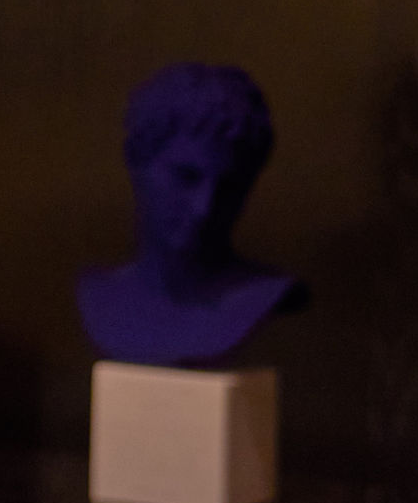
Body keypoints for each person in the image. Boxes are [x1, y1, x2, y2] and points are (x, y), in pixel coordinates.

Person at [77, 61, 308, 367]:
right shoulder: (99, 297)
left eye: (229, 188)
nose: (204, 207)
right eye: (186, 177)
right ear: (136, 160)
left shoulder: (260, 296)